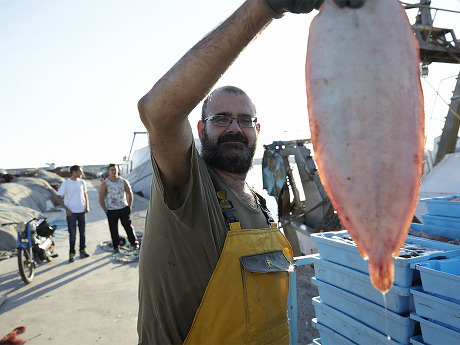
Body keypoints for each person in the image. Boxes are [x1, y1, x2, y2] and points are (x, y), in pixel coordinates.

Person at [137, 0, 365, 344]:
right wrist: (263, 8)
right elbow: (157, 111)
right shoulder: (189, 188)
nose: (234, 128)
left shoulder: (261, 204)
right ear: (200, 129)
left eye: (245, 120)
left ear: (258, 129)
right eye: (221, 119)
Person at [98, 163, 139, 252]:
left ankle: (134, 243)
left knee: (128, 226)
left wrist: (129, 206)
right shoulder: (105, 183)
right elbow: (101, 198)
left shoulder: (123, 181)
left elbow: (130, 194)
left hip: (123, 208)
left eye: (115, 169)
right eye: (112, 170)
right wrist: (106, 210)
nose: (114, 171)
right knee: (113, 229)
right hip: (112, 210)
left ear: (118, 170)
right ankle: (116, 247)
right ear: (108, 172)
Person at [56, 165, 90, 263]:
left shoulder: (82, 182)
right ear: (74, 172)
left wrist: (87, 206)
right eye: (80, 171)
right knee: (73, 235)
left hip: (81, 212)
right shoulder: (66, 183)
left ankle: (83, 250)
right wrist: (66, 209)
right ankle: (72, 254)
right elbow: (58, 197)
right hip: (71, 213)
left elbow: (85, 195)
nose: (81, 173)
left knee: (82, 233)